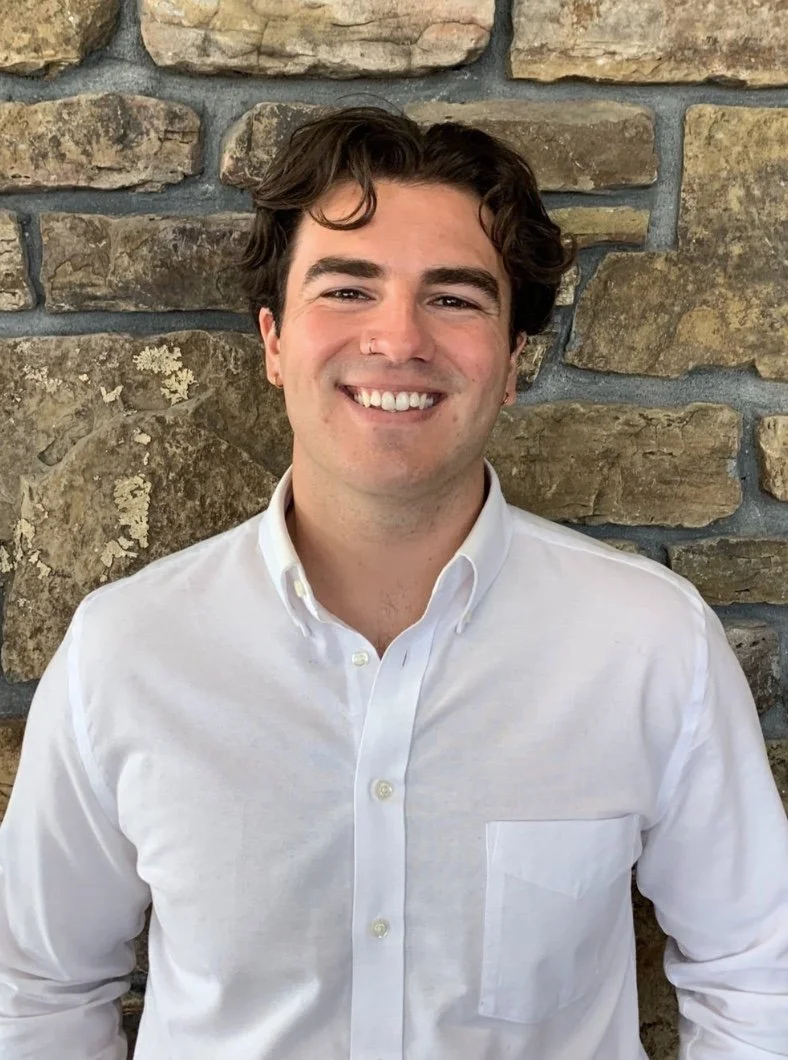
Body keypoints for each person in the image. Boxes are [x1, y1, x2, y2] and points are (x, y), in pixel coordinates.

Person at [0, 106, 786, 1060]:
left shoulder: (650, 645)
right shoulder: (127, 652)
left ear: (511, 362)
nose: (398, 337)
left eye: (454, 298)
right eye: (347, 288)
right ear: (274, 340)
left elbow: (759, 971)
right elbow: (34, 989)